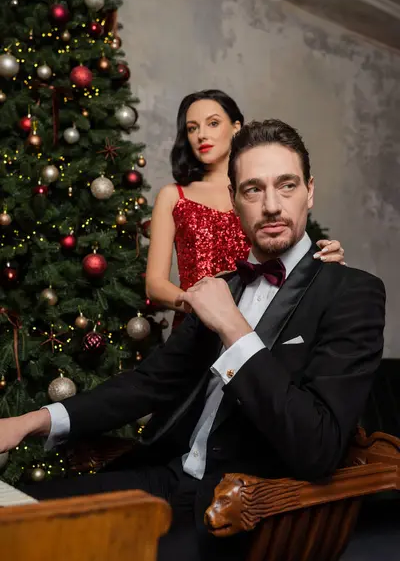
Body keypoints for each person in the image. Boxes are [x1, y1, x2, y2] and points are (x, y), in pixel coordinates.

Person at [0, 119, 385, 561]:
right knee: (19, 520)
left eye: (287, 185)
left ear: (310, 191)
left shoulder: (353, 292)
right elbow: (147, 382)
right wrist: (32, 421)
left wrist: (233, 328)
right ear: (234, 200)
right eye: (254, 189)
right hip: (166, 478)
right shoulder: (224, 286)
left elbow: (317, 447)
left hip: (246, 508)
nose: (273, 205)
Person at [145, 90, 345, 325]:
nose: (201, 135)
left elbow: (291, 244)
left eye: (213, 123)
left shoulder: (267, 193)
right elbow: (154, 285)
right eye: (192, 128)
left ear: (236, 127)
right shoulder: (173, 196)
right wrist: (198, 303)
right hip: (195, 325)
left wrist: (323, 256)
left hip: (261, 315)